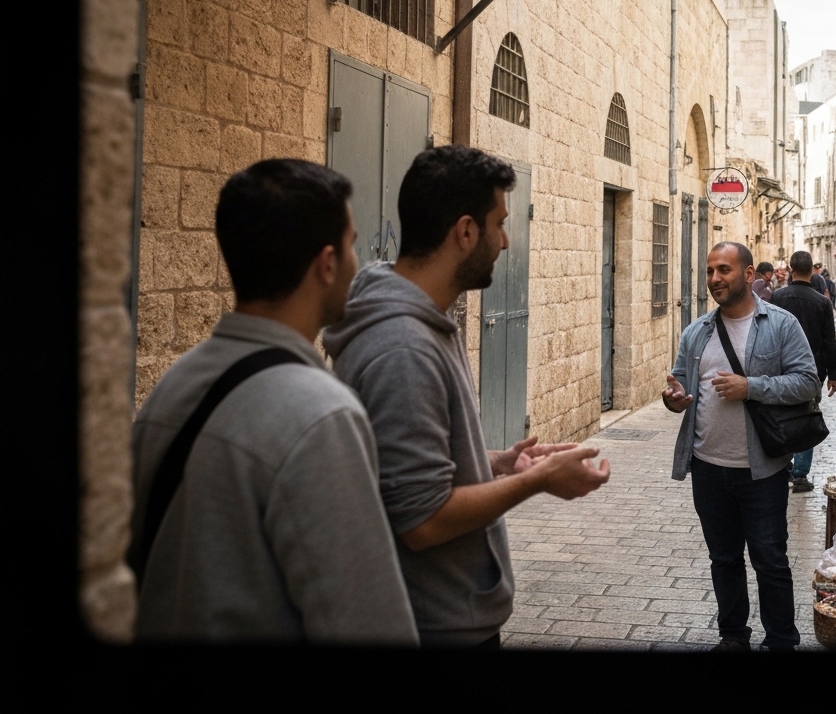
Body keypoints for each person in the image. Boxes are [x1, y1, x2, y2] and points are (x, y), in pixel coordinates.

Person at [323, 145, 610, 649]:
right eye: (498, 223)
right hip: (432, 624)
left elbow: (404, 463)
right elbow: (423, 520)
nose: (504, 240)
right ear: (465, 232)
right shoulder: (403, 348)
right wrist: (540, 480)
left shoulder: (426, 320)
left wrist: (493, 463)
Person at [128, 159, 418, 644]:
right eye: (350, 245)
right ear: (325, 264)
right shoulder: (322, 414)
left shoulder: (172, 387)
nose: (357, 261)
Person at [664, 241, 819, 651]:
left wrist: (751, 387)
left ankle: (782, 639)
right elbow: (678, 384)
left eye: (724, 270)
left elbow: (807, 382)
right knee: (724, 559)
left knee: (770, 559)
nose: (715, 278)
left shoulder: (781, 324)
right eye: (711, 270)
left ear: (748, 275)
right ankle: (733, 636)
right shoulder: (696, 331)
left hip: (762, 468)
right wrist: (673, 398)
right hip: (708, 467)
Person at [770, 250, 836, 494]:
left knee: (778, 416)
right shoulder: (822, 302)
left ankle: (781, 467)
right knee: (805, 417)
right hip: (812, 373)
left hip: (779, 369)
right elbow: (829, 341)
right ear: (812, 271)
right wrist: (833, 375)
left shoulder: (777, 297)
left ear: (791, 269)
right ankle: (799, 475)